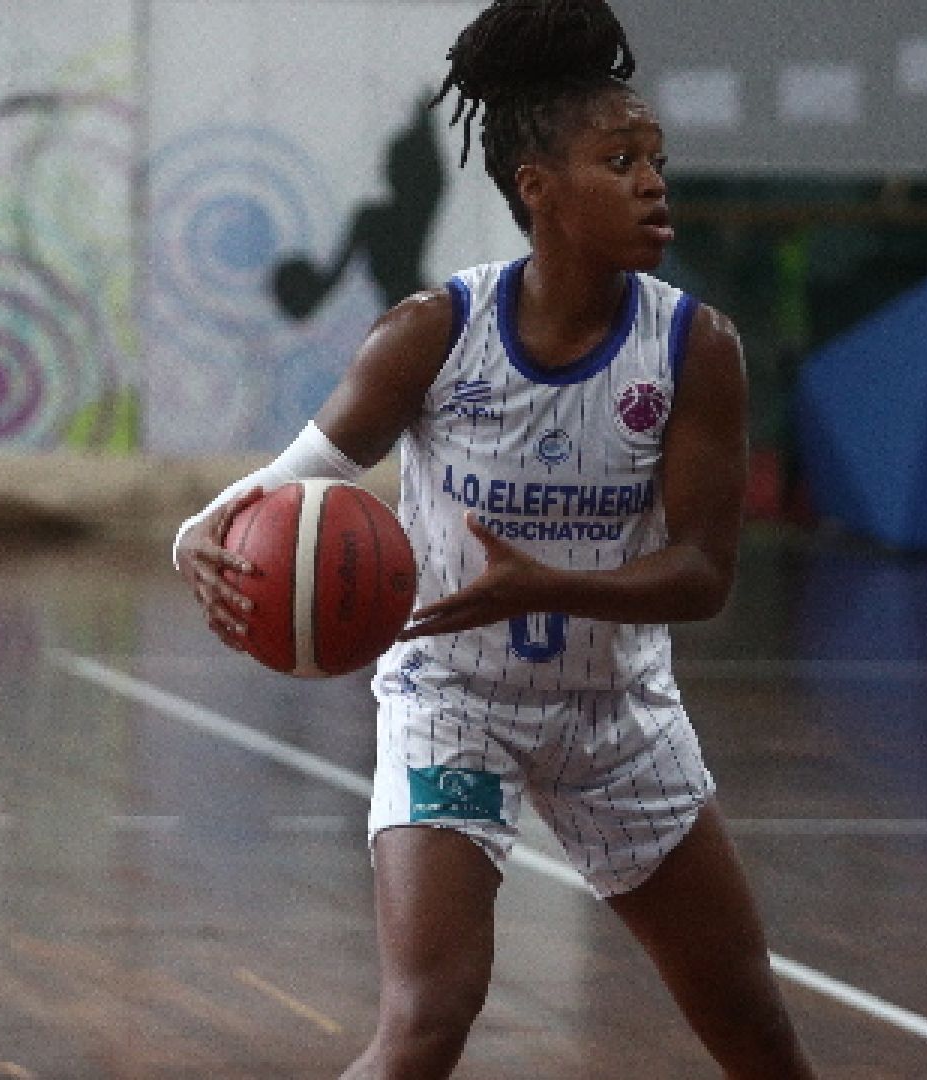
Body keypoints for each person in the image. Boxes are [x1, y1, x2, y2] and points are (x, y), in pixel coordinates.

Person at [173, 2, 815, 1076]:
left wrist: (545, 584)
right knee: (429, 1017)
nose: (653, 184)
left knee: (754, 1029)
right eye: (620, 161)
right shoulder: (434, 332)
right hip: (452, 703)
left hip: (617, 716)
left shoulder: (695, 347)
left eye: (656, 160)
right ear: (538, 187)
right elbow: (289, 483)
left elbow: (704, 577)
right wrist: (201, 535)